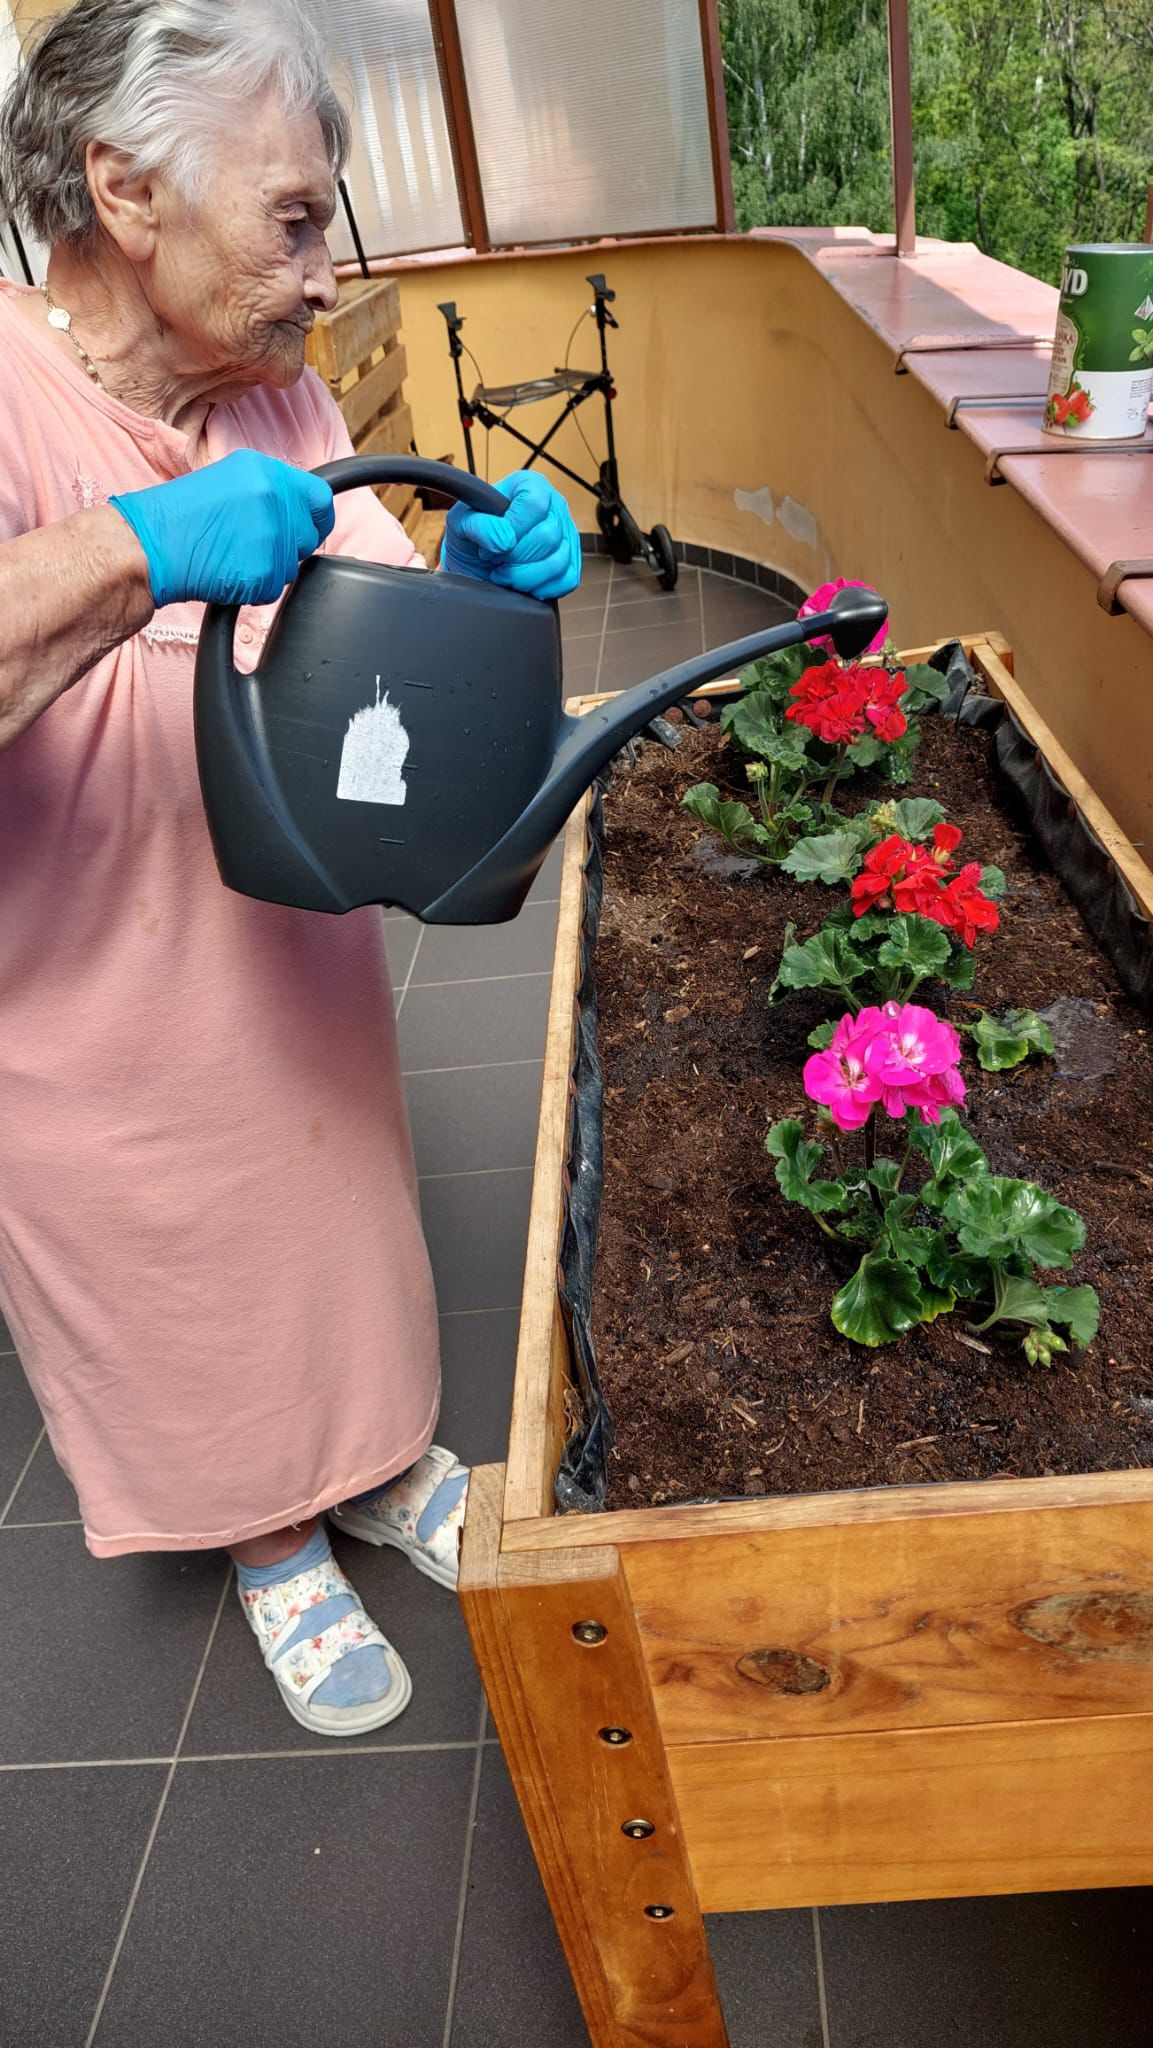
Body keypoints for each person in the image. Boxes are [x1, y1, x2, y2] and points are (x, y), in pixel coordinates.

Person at [0, 0, 580, 1739]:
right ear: (126, 191)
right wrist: (133, 548)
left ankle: (377, 1457)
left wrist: (477, 588)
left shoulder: (275, 394)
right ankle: (267, 1537)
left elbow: (368, 632)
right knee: (177, 1275)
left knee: (334, 1225)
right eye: (296, 220)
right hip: (88, 1002)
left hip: (284, 955)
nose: (329, 276)